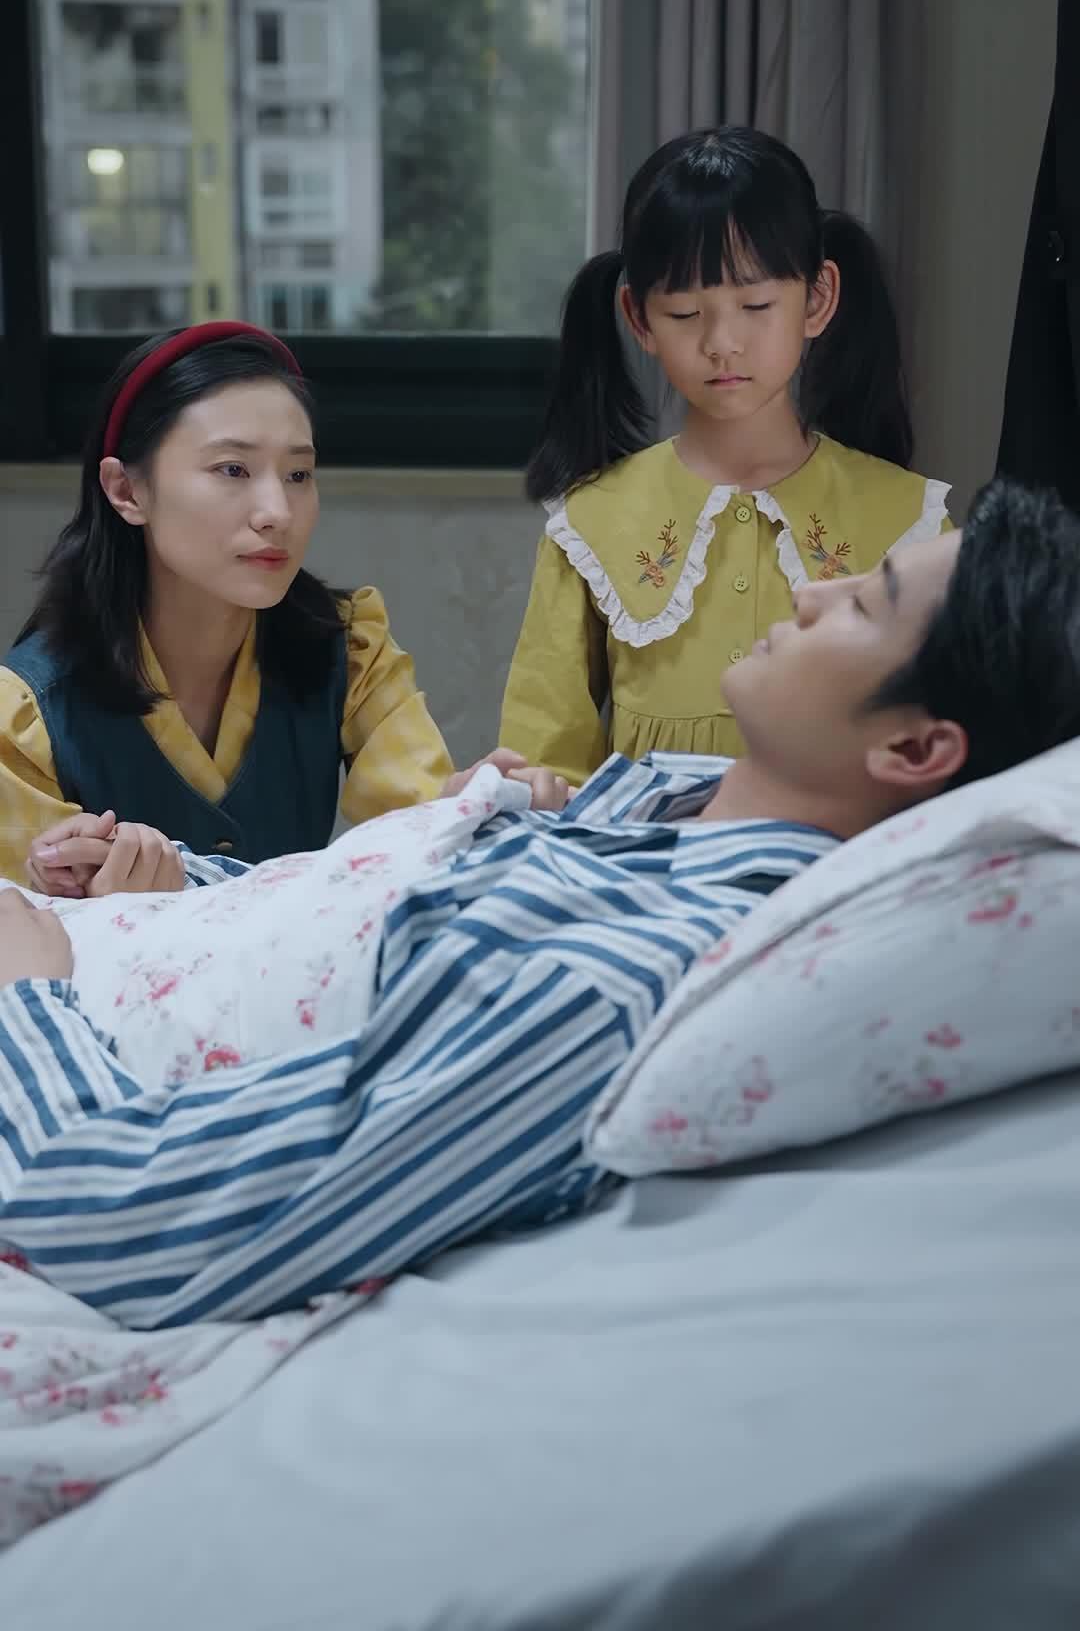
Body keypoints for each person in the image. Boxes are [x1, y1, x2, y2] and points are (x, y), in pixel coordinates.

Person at [1, 476, 1078, 1330]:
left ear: (915, 749)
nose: (809, 593)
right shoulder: (640, 806)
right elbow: (334, 921)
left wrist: (30, 998)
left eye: (865, 604)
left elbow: (141, 1224)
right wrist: (173, 882)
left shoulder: (625, 977)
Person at [0, 322, 538, 889]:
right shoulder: (27, 715)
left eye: (298, 474)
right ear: (126, 490)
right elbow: (27, 919)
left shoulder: (351, 649)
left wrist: (476, 804)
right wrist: (89, 893)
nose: (277, 512)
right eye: (233, 469)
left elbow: (420, 823)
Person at [499, 126, 953, 788]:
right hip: (647, 849)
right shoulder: (590, 524)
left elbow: (949, 744)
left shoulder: (913, 522)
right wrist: (532, 790)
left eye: (757, 304)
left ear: (818, 299)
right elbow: (543, 758)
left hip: (836, 849)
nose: (722, 342)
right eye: (685, 314)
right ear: (639, 319)